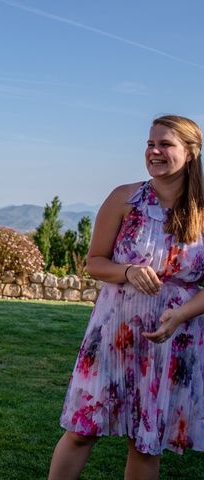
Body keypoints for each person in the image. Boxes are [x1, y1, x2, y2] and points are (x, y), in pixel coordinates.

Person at [48, 115, 204, 480]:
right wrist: (129, 271)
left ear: (191, 153)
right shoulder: (124, 198)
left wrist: (181, 315)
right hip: (113, 334)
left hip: (172, 339)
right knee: (82, 430)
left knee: (145, 442)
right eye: (150, 143)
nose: (154, 151)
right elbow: (95, 262)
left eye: (165, 144)